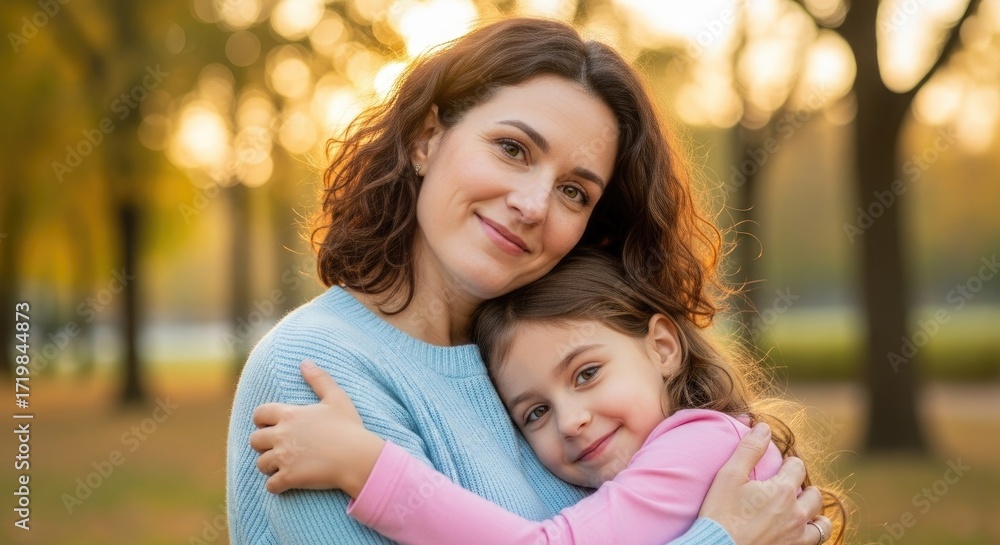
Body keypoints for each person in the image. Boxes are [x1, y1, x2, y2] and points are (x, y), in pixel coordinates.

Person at [227, 16, 832, 545]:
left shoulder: (543, 362)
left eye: (575, 190)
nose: (534, 203)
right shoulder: (313, 373)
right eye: (513, 149)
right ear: (426, 138)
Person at [251, 250, 845, 544]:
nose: (571, 420)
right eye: (534, 412)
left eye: (586, 373)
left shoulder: (705, 448)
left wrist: (367, 467)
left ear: (663, 347)